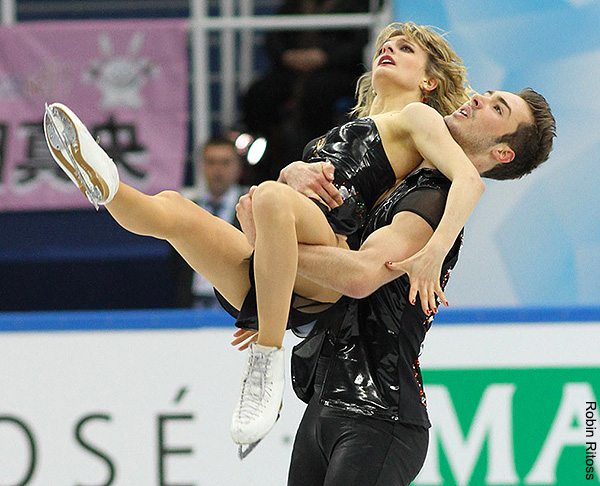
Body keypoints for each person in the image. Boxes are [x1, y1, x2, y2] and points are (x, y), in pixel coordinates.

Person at [44, 21, 490, 450]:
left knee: (270, 199)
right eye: (385, 46)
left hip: (329, 241)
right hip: (280, 259)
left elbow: (468, 181)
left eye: (405, 49)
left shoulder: (416, 117)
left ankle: (265, 359)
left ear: (429, 81)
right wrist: (292, 170)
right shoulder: (346, 127)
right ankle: (107, 186)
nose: (387, 50)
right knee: (176, 210)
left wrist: (434, 252)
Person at [232, 87, 556, 484]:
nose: (477, 99)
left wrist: (270, 245)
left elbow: (359, 275)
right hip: (325, 407)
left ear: (503, 152)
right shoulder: (401, 180)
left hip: (379, 418)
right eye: (485, 94)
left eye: (496, 108)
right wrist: (292, 178)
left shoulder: (433, 198)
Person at [242, 0, 371, 181]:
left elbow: (358, 41)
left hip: (336, 69)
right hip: (291, 69)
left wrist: (324, 56)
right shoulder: (293, 4)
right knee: (259, 93)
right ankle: (263, 160)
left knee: (316, 92)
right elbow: (273, 37)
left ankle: (320, 158)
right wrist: (286, 56)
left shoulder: (356, 4)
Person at [173, 136, 248, 308]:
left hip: (238, 303)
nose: (217, 170)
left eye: (225, 163)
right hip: (194, 302)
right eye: (211, 162)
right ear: (202, 166)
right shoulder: (187, 208)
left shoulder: (252, 207)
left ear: (238, 168)